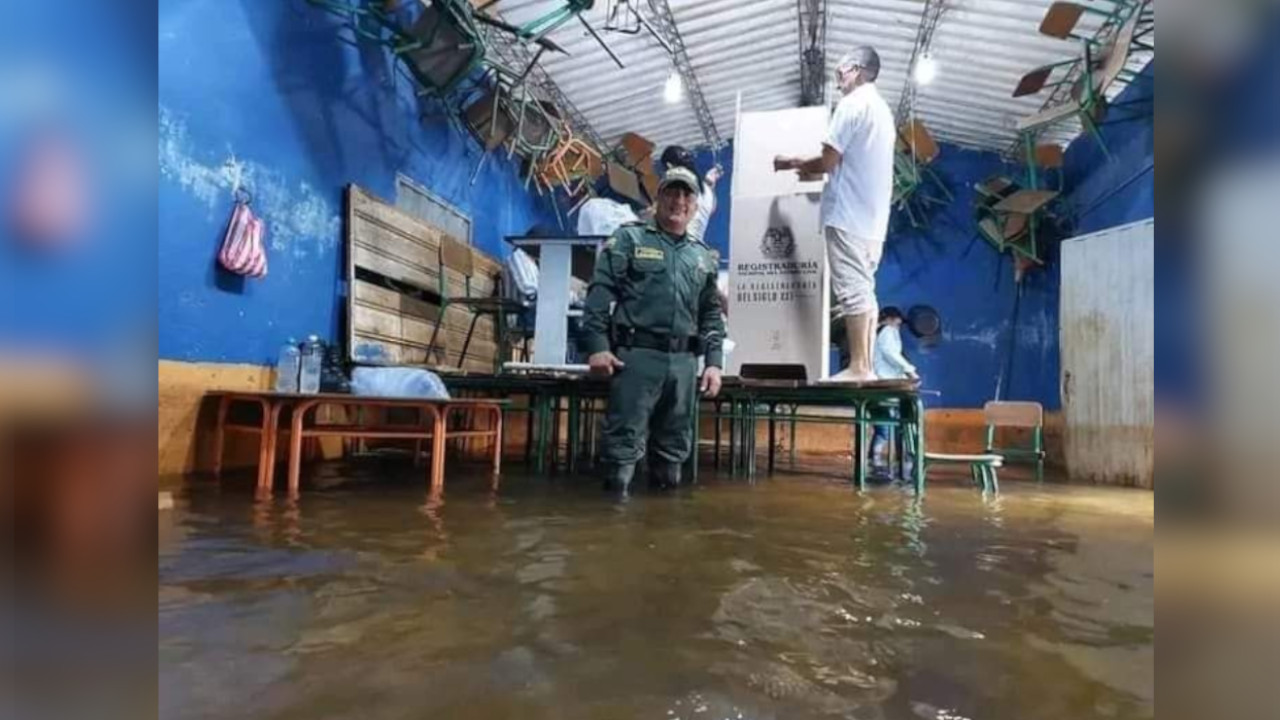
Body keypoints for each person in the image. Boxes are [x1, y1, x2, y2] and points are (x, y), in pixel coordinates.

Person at [581, 166, 726, 493]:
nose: (679, 200)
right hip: (635, 361)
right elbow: (600, 294)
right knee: (621, 458)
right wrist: (598, 346)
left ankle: (663, 537)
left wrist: (714, 363)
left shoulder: (702, 257)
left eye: (687, 194)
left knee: (673, 459)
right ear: (658, 197)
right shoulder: (628, 239)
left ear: (695, 204)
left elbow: (711, 314)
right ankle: (613, 531)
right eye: (672, 192)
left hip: (684, 367)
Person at [773, 45, 895, 383]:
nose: (837, 77)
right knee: (865, 290)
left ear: (856, 70)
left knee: (853, 292)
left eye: (841, 70)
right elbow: (845, 165)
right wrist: (819, 172)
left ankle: (859, 366)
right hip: (872, 221)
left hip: (848, 216)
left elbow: (828, 160)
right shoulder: (881, 110)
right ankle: (866, 366)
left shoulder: (852, 105)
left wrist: (792, 162)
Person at [870, 307, 918, 469]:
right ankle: (904, 462)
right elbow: (891, 354)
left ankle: (873, 464)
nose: (899, 325)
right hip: (889, 385)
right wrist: (910, 371)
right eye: (898, 321)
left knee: (882, 428)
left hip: (874, 385)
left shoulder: (871, 332)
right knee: (903, 424)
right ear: (890, 319)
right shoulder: (888, 331)